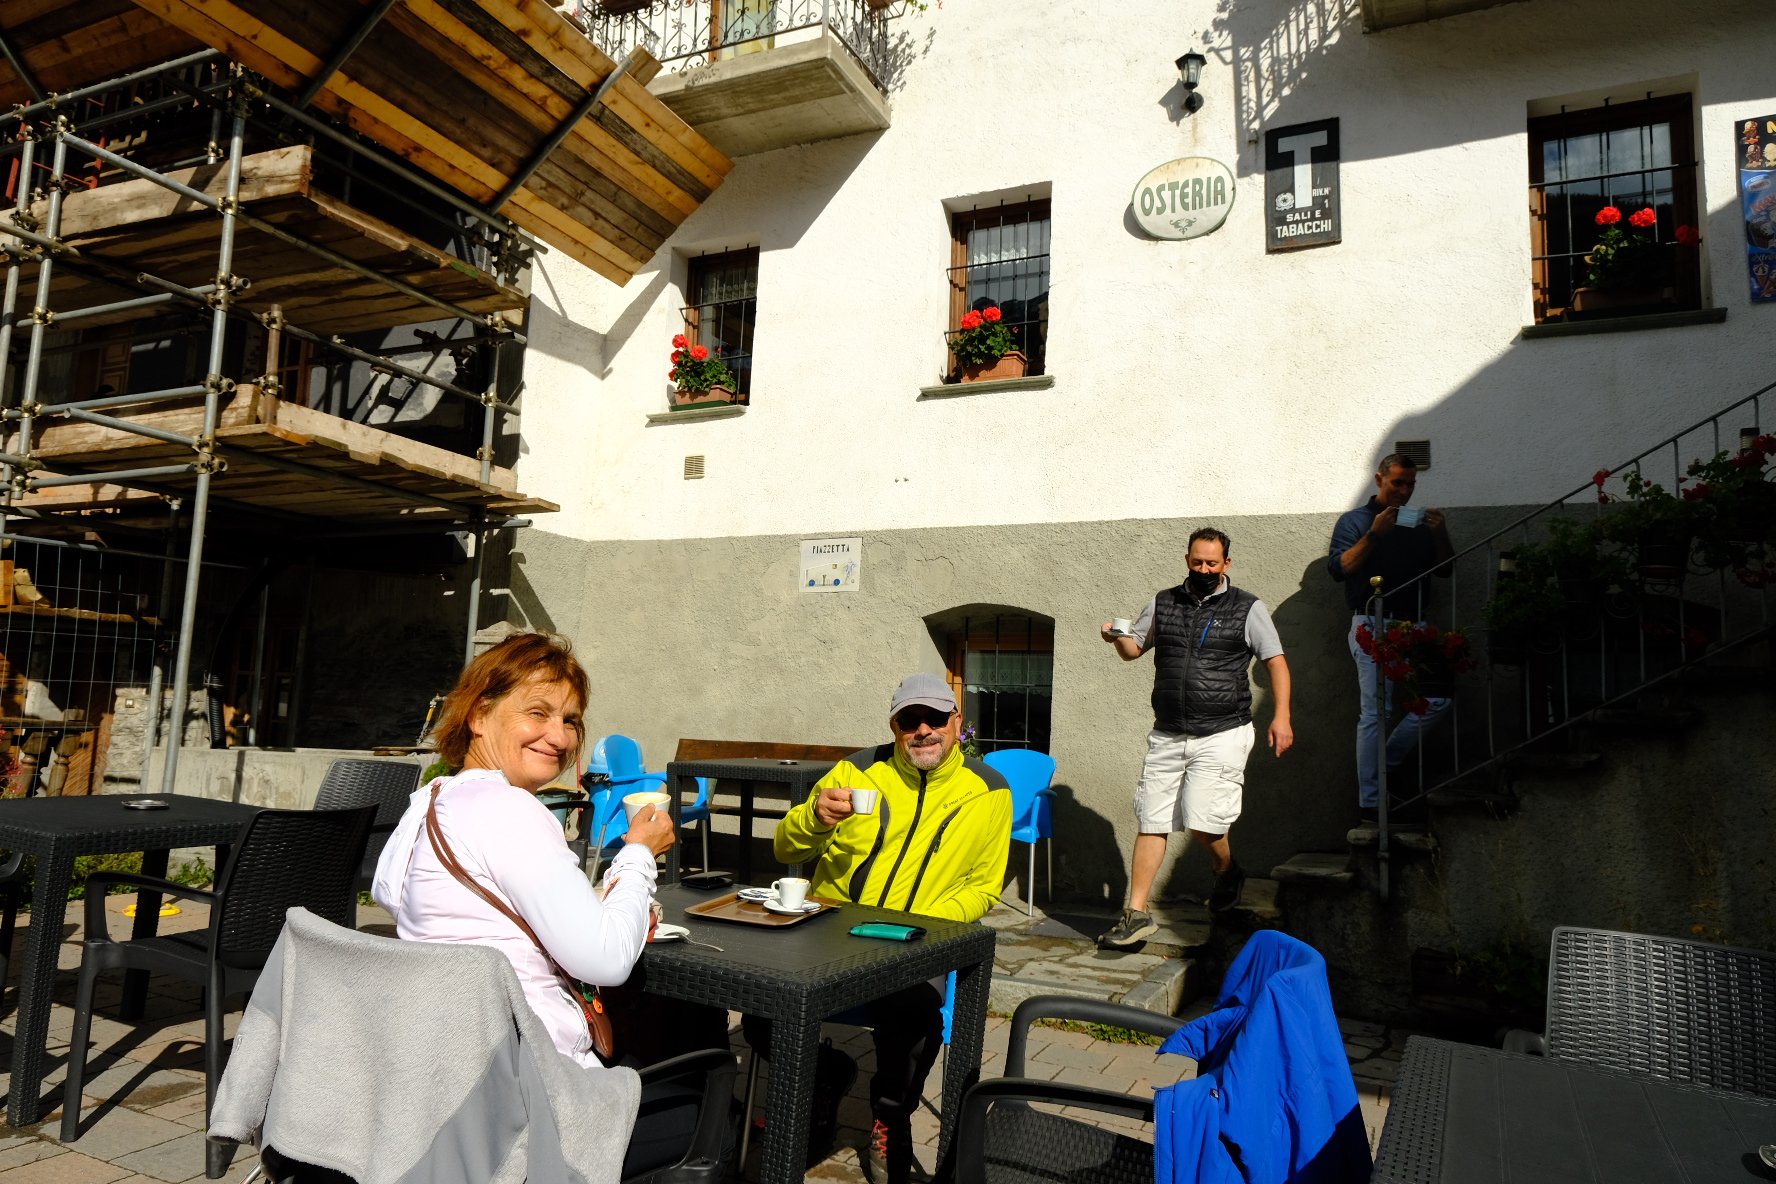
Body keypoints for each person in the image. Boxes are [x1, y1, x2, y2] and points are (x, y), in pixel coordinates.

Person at [371, 631, 689, 1175]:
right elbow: (607, 960)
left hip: (446, 1076)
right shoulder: (510, 809)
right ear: (479, 714)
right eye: (537, 713)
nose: (559, 737)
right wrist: (638, 853)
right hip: (531, 1099)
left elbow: (391, 894)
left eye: (570, 720)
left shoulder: (430, 800)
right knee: (698, 1092)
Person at [759, 671, 1012, 1184]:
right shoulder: (855, 771)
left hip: (916, 939)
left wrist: (925, 927)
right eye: (909, 720)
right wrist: (815, 818)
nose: (923, 730)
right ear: (894, 726)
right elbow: (786, 849)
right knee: (763, 1002)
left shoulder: (988, 790)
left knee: (916, 1016)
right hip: (832, 931)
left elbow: (984, 887)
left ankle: (889, 1115)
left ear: (956, 722)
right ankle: (825, 1080)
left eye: (935, 718)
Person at [1097, 527, 1293, 950]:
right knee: (1152, 819)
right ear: (1187, 559)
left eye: (1212, 563)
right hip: (1168, 732)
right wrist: (1115, 637)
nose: (1204, 569)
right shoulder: (1163, 602)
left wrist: (1282, 716)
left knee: (1205, 821)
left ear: (1226, 563)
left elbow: (1275, 661)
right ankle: (1137, 913)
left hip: (1223, 731)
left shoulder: (1248, 607)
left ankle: (1226, 870)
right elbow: (1134, 650)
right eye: (1197, 561)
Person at [1326, 453, 1455, 822]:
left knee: (1438, 699)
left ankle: (1385, 765)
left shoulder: (1417, 523)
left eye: (1410, 484)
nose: (1404, 491)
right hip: (1372, 623)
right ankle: (1371, 802)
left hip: (1415, 624)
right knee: (1376, 713)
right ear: (1379, 479)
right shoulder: (1355, 520)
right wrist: (1374, 534)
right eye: (1398, 482)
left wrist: (1439, 532)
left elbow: (1445, 570)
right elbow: (1340, 569)